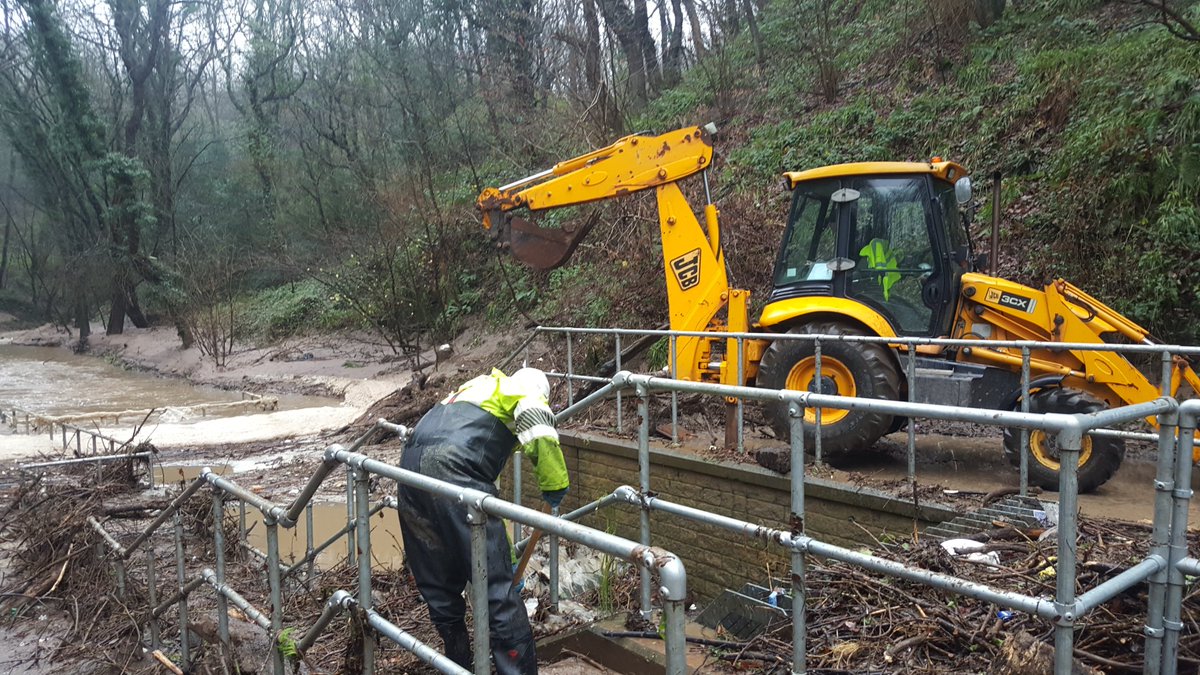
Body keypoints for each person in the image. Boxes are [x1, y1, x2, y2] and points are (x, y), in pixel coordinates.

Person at [396, 367, 569, 675]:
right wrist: (554, 484)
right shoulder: (520, 391)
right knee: (499, 594)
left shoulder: (474, 390)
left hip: (410, 471)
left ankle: (458, 665)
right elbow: (539, 428)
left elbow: (488, 513)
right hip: (453, 468)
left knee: (439, 582)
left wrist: (506, 556)